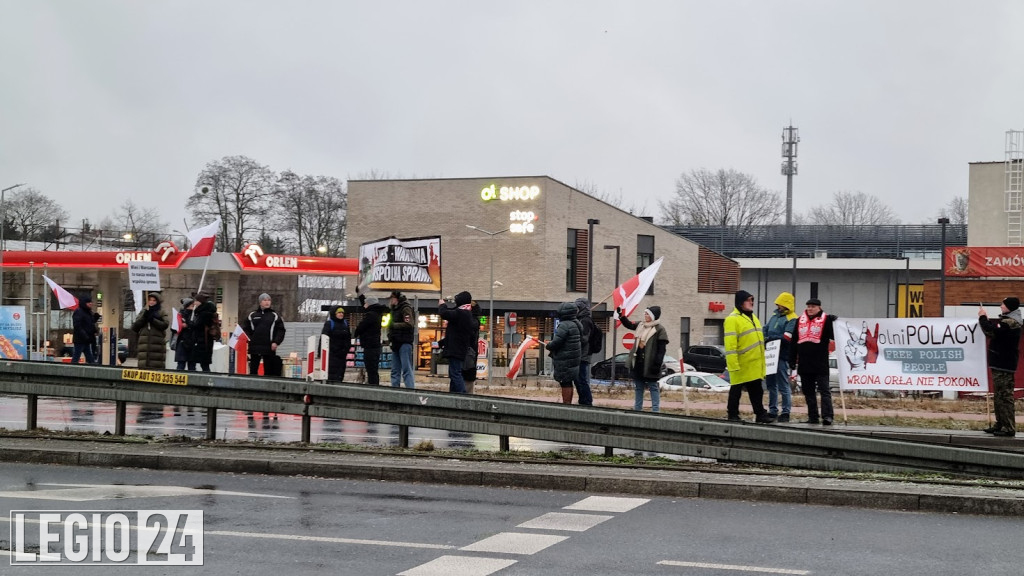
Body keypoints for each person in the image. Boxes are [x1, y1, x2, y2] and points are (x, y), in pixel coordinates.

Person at [724, 291, 773, 423]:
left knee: (757, 391)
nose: (751, 303)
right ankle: (732, 414)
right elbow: (730, 344)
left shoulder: (753, 317)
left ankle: (760, 414)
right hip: (741, 363)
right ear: (740, 302)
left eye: (752, 300)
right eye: (748, 300)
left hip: (754, 363)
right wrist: (733, 364)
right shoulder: (732, 319)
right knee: (736, 390)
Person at [789, 298, 837, 425]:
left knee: (824, 391)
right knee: (808, 392)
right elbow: (794, 341)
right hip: (805, 363)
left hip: (820, 363)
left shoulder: (826, 320)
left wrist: (834, 323)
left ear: (819, 308)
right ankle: (813, 416)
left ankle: (827, 416)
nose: (810, 309)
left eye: (813, 306)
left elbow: (834, 335)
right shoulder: (800, 320)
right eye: (808, 306)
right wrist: (792, 359)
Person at [979, 297, 1021, 437]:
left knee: (1004, 396)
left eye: (1003, 304)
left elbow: (991, 332)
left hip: (1004, 364)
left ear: (1010, 307)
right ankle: (1000, 423)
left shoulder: (1010, 322)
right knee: (998, 396)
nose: (1001, 306)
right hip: (1000, 363)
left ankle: (1009, 427)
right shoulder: (1006, 321)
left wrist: (983, 318)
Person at [619, 306, 668, 412]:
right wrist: (621, 317)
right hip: (639, 363)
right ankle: (637, 409)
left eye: (647, 314)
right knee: (638, 387)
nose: (645, 316)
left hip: (651, 364)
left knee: (653, 387)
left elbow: (661, 350)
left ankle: (655, 410)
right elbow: (629, 324)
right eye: (645, 313)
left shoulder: (660, 329)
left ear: (652, 316)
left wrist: (657, 364)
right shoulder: (640, 325)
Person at [763, 292, 797, 422]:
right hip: (770, 354)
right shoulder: (774, 315)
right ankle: (773, 410)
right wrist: (765, 337)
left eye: (780, 304)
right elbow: (765, 328)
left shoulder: (792, 319)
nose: (778, 306)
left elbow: (787, 338)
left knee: (783, 384)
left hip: (781, 355)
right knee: (771, 384)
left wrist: (769, 339)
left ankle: (786, 412)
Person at [438, 291, 476, 394]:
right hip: (458, 348)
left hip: (456, 349)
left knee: (455, 373)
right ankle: (454, 394)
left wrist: (442, 305)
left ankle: (461, 395)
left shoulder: (462, 313)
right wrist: (442, 342)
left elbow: (445, 313)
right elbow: (455, 333)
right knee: (454, 373)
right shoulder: (466, 314)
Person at [546, 301, 583, 404]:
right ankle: (568, 403)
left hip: (565, 359)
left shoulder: (564, 325)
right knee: (568, 382)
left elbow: (557, 342)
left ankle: (566, 404)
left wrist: (548, 345)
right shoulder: (576, 324)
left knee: (565, 383)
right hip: (573, 358)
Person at [244, 293, 286, 377]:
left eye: (269, 300)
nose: (267, 302)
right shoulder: (252, 315)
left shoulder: (275, 316)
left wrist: (276, 342)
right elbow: (245, 329)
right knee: (253, 371)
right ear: (260, 302)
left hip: (269, 347)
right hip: (255, 347)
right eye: (265, 300)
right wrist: (250, 340)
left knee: (269, 371)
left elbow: (281, 330)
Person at [131, 292, 169, 370]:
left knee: (156, 368)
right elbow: (135, 327)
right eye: (150, 300)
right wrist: (144, 318)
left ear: (157, 302)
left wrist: (153, 320)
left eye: (154, 300)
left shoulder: (161, 312)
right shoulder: (143, 311)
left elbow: (164, 325)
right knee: (143, 368)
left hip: (157, 346)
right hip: (144, 347)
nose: (151, 302)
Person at [354, 296, 386, 385]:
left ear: (369, 304)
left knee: (371, 369)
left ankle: (373, 386)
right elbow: (366, 307)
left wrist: (356, 333)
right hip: (374, 346)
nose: (364, 306)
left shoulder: (371, 315)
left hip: (370, 346)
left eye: (365, 304)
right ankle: (374, 385)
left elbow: (361, 326)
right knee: (373, 369)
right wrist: (360, 295)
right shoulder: (376, 313)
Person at [387, 291, 416, 389]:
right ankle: (395, 389)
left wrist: (394, 326)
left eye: (392, 298)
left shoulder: (405, 308)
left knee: (406, 369)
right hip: (396, 341)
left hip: (404, 342)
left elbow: (409, 324)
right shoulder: (394, 310)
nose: (390, 300)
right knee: (395, 370)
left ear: (396, 299)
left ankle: (410, 390)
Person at [573, 298, 596, 406]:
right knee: (578, 380)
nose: (576, 310)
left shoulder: (585, 320)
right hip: (580, 354)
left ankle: (586, 402)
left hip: (583, 355)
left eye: (578, 307)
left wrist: (573, 337)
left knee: (581, 380)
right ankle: (583, 401)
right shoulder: (581, 319)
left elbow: (584, 338)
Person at [187, 293, 218, 372]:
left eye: (196, 301)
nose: (194, 303)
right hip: (204, 341)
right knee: (203, 363)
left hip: (202, 341)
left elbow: (197, 325)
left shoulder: (204, 314)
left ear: (200, 302)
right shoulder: (205, 312)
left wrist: (189, 323)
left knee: (202, 363)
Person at [321, 305, 352, 383]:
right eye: (339, 312)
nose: (341, 314)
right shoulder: (329, 324)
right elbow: (324, 338)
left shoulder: (345, 323)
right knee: (332, 373)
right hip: (332, 354)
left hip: (342, 354)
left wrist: (346, 348)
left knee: (341, 373)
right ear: (334, 314)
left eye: (342, 312)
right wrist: (320, 352)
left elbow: (348, 337)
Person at [71, 294, 98, 364]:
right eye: (89, 302)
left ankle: (93, 368)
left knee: (89, 357)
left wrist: (95, 318)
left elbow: (89, 323)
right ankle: (71, 370)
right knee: (77, 356)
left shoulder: (88, 312)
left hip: (86, 339)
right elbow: (77, 326)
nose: (91, 304)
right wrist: (85, 336)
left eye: (91, 302)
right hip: (80, 339)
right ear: (84, 303)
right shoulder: (79, 312)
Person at [172, 297, 196, 370]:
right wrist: (181, 326)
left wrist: (188, 325)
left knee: (192, 366)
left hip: (192, 343)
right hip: (182, 342)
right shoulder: (180, 315)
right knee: (181, 365)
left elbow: (196, 326)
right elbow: (173, 328)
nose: (194, 306)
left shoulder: (195, 315)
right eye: (192, 305)